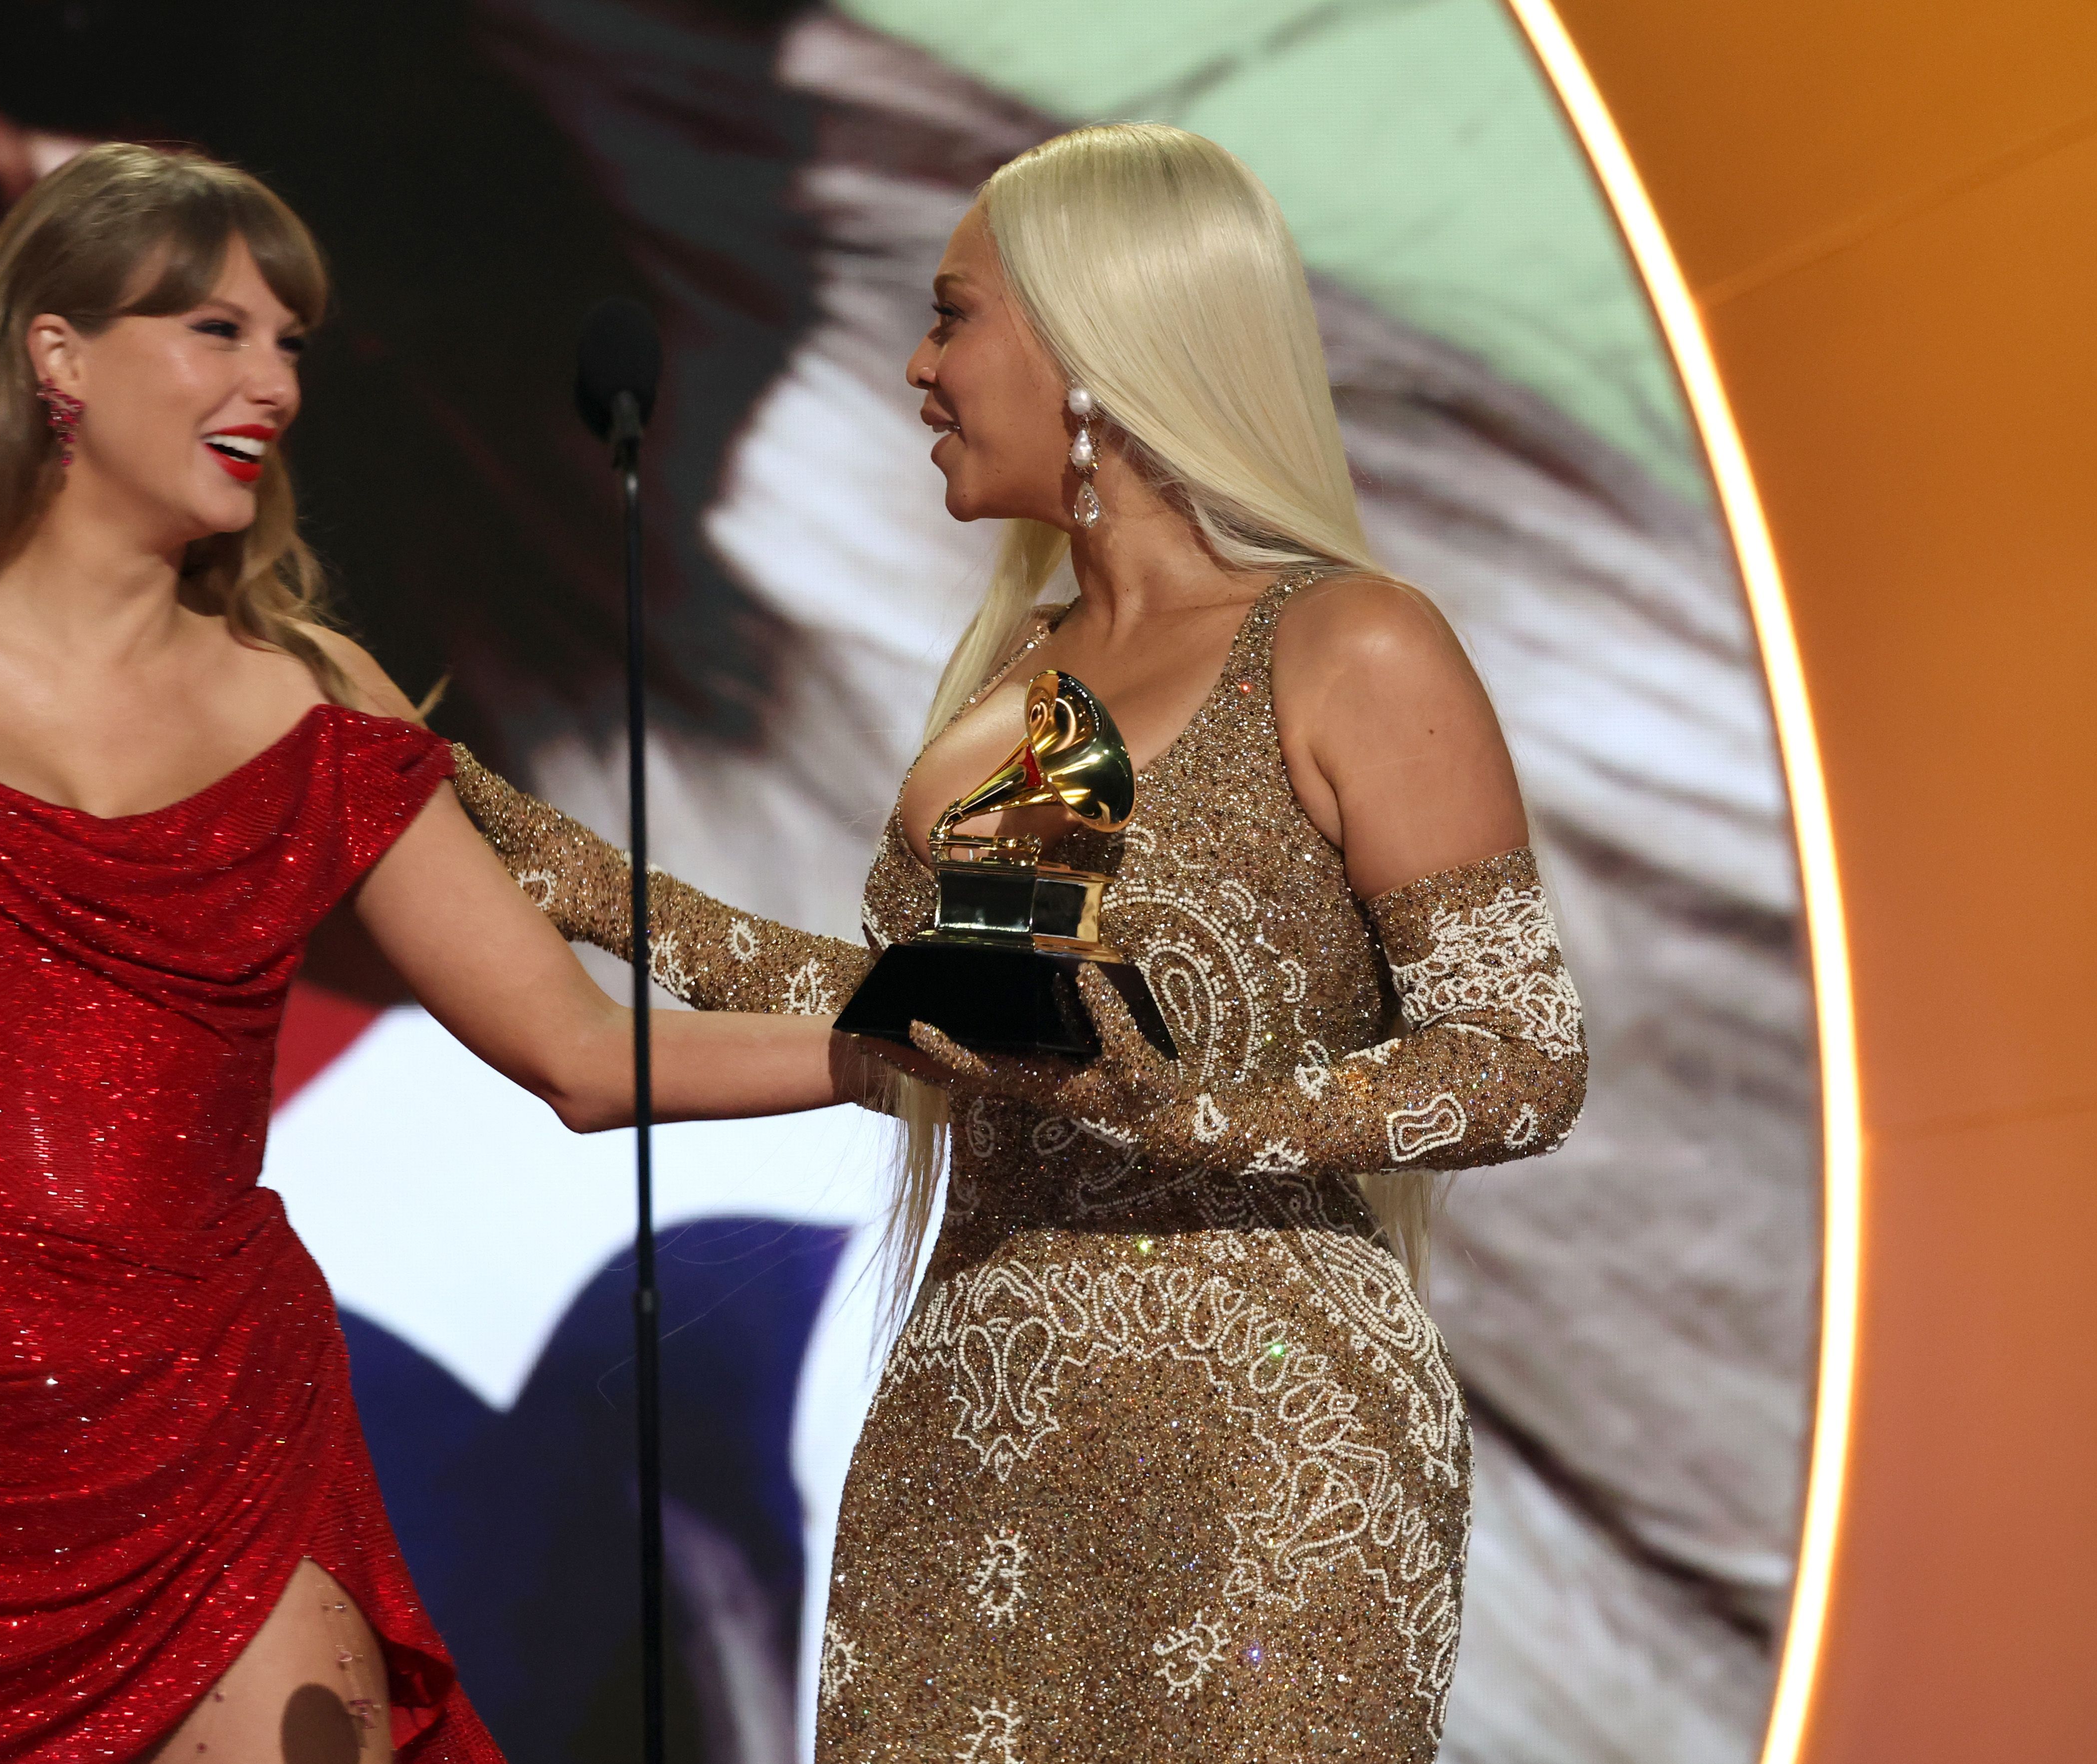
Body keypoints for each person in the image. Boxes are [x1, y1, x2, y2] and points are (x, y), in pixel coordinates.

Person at [0, 143, 859, 1764]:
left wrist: (907, 1043)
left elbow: (581, 1055)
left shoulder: (308, 695)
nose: (276, 380)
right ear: (58, 355)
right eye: (218, 331)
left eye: (291, 341)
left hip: (217, 1436)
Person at [454, 123, 1590, 1759]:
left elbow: (1517, 1057)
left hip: (1271, 1448)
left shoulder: (1350, 641)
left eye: (950, 315)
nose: (916, 367)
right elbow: (917, 1019)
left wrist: (1203, 1117)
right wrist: (553, 865)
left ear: (1092, 340)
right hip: (970, 1421)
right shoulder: (1012, 690)